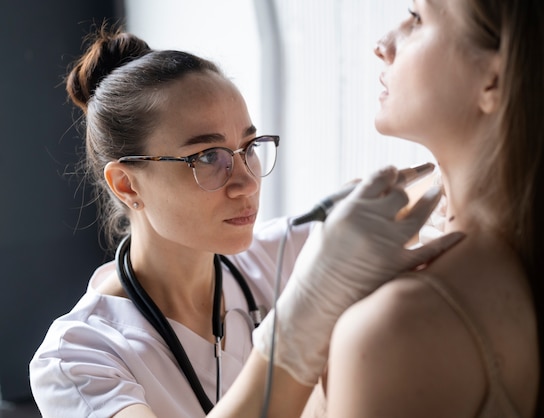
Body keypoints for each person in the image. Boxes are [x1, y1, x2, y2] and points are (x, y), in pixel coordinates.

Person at [208, 0, 544, 417]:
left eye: (417, 18)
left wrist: (302, 321)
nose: (382, 44)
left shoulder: (399, 328)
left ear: (494, 80)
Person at [29, 24, 462, 418]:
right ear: (126, 185)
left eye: (249, 147)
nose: (246, 182)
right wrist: (299, 318)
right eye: (207, 157)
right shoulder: (77, 358)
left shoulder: (291, 253)